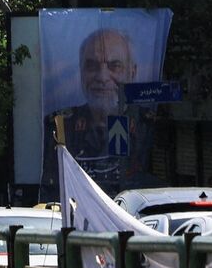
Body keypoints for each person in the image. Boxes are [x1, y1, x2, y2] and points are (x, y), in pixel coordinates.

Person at [42, 29, 149, 197]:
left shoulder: (147, 125)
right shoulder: (62, 126)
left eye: (115, 66)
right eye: (92, 66)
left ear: (132, 72)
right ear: (81, 72)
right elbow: (53, 186)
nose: (102, 77)